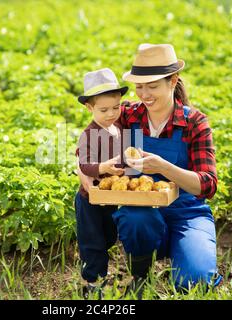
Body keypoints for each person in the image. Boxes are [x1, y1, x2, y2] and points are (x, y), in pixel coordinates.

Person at [77, 44, 223, 298]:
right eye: (139, 86)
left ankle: (183, 256)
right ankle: (141, 275)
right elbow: (89, 145)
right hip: (143, 210)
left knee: (195, 283)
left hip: (187, 213)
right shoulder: (130, 115)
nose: (144, 94)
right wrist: (85, 174)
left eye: (152, 86)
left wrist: (163, 167)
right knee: (136, 217)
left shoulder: (194, 123)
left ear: (172, 81)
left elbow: (207, 185)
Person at [74, 68, 128, 299]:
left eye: (115, 108)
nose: (111, 114)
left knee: (108, 236)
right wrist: (103, 168)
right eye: (103, 110)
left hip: (111, 198)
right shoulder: (89, 134)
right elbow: (84, 165)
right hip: (90, 199)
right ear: (90, 108)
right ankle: (92, 281)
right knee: (92, 240)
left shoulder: (119, 129)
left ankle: (102, 271)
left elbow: (125, 156)